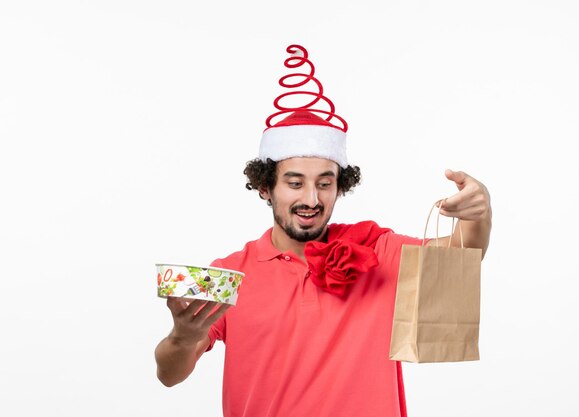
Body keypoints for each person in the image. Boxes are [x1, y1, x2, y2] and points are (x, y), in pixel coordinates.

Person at [154, 45, 492, 417]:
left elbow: (463, 257)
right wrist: (183, 338)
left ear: (340, 186)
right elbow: (169, 375)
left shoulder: (375, 249)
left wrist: (479, 211)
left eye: (325, 183)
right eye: (295, 183)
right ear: (266, 187)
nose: (311, 199)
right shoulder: (228, 274)